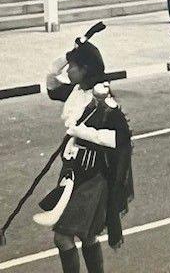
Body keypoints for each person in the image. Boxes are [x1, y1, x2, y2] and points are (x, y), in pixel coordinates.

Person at [43, 33, 133, 273]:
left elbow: (121, 139)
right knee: (87, 235)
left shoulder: (103, 98)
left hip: (92, 175)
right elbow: (52, 80)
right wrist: (70, 53)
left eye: (73, 66)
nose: (68, 71)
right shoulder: (76, 90)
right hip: (73, 170)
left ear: (85, 70)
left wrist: (82, 132)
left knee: (63, 237)